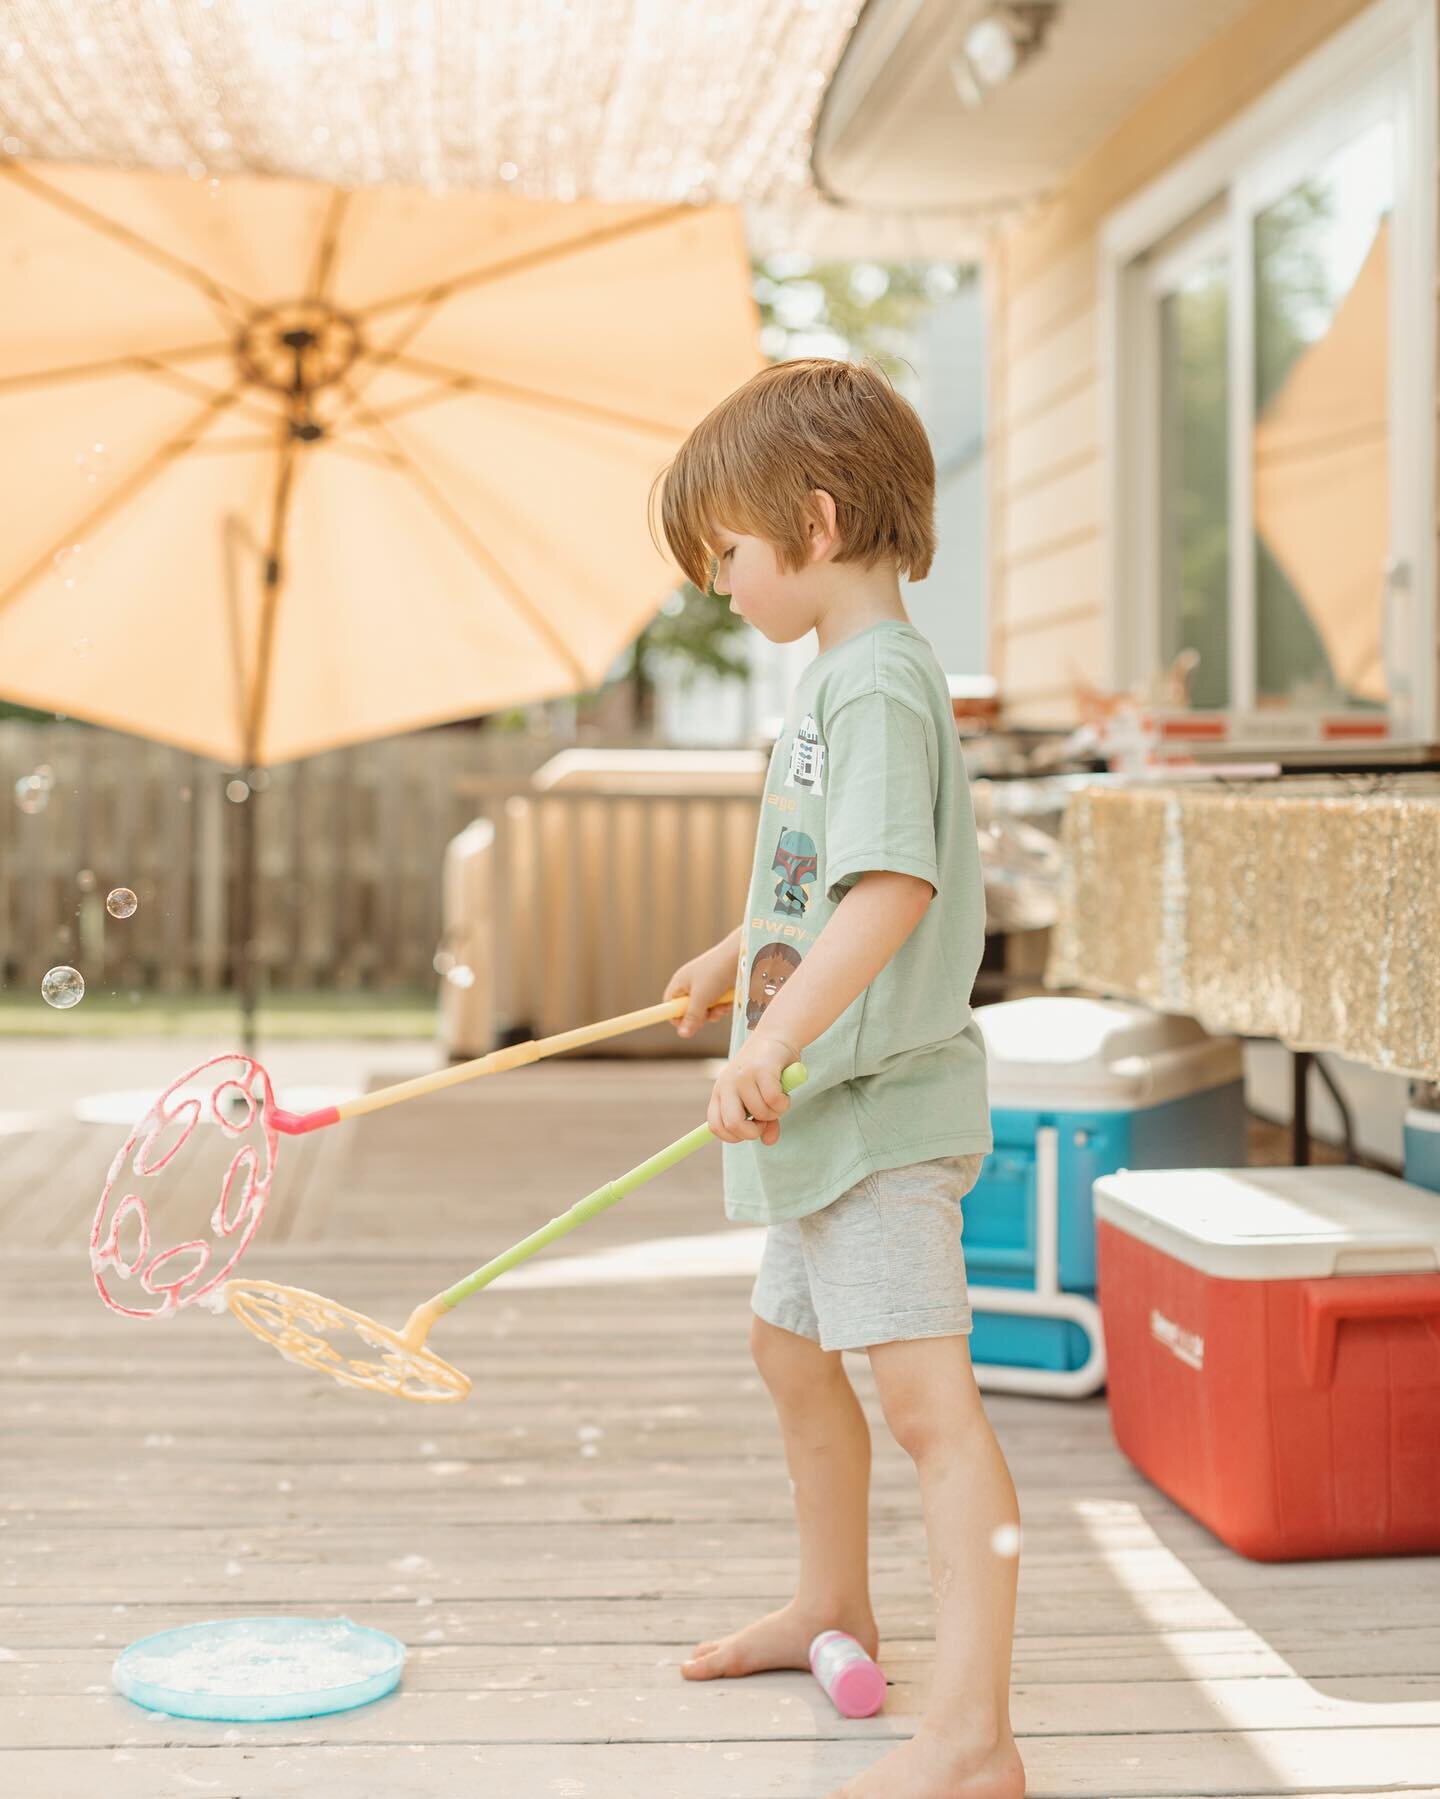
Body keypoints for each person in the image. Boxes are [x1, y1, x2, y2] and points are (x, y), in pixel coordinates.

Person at [655, 358, 1025, 1799]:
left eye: (729, 557)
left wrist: (772, 1038)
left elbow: (893, 887)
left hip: (876, 1121)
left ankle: (976, 1735)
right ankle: (834, 1606)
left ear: (811, 525)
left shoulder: (875, 684)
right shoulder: (840, 680)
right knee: (790, 1352)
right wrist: (738, 951)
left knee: (933, 1413)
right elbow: (825, 886)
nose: (720, 587)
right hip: (830, 1120)